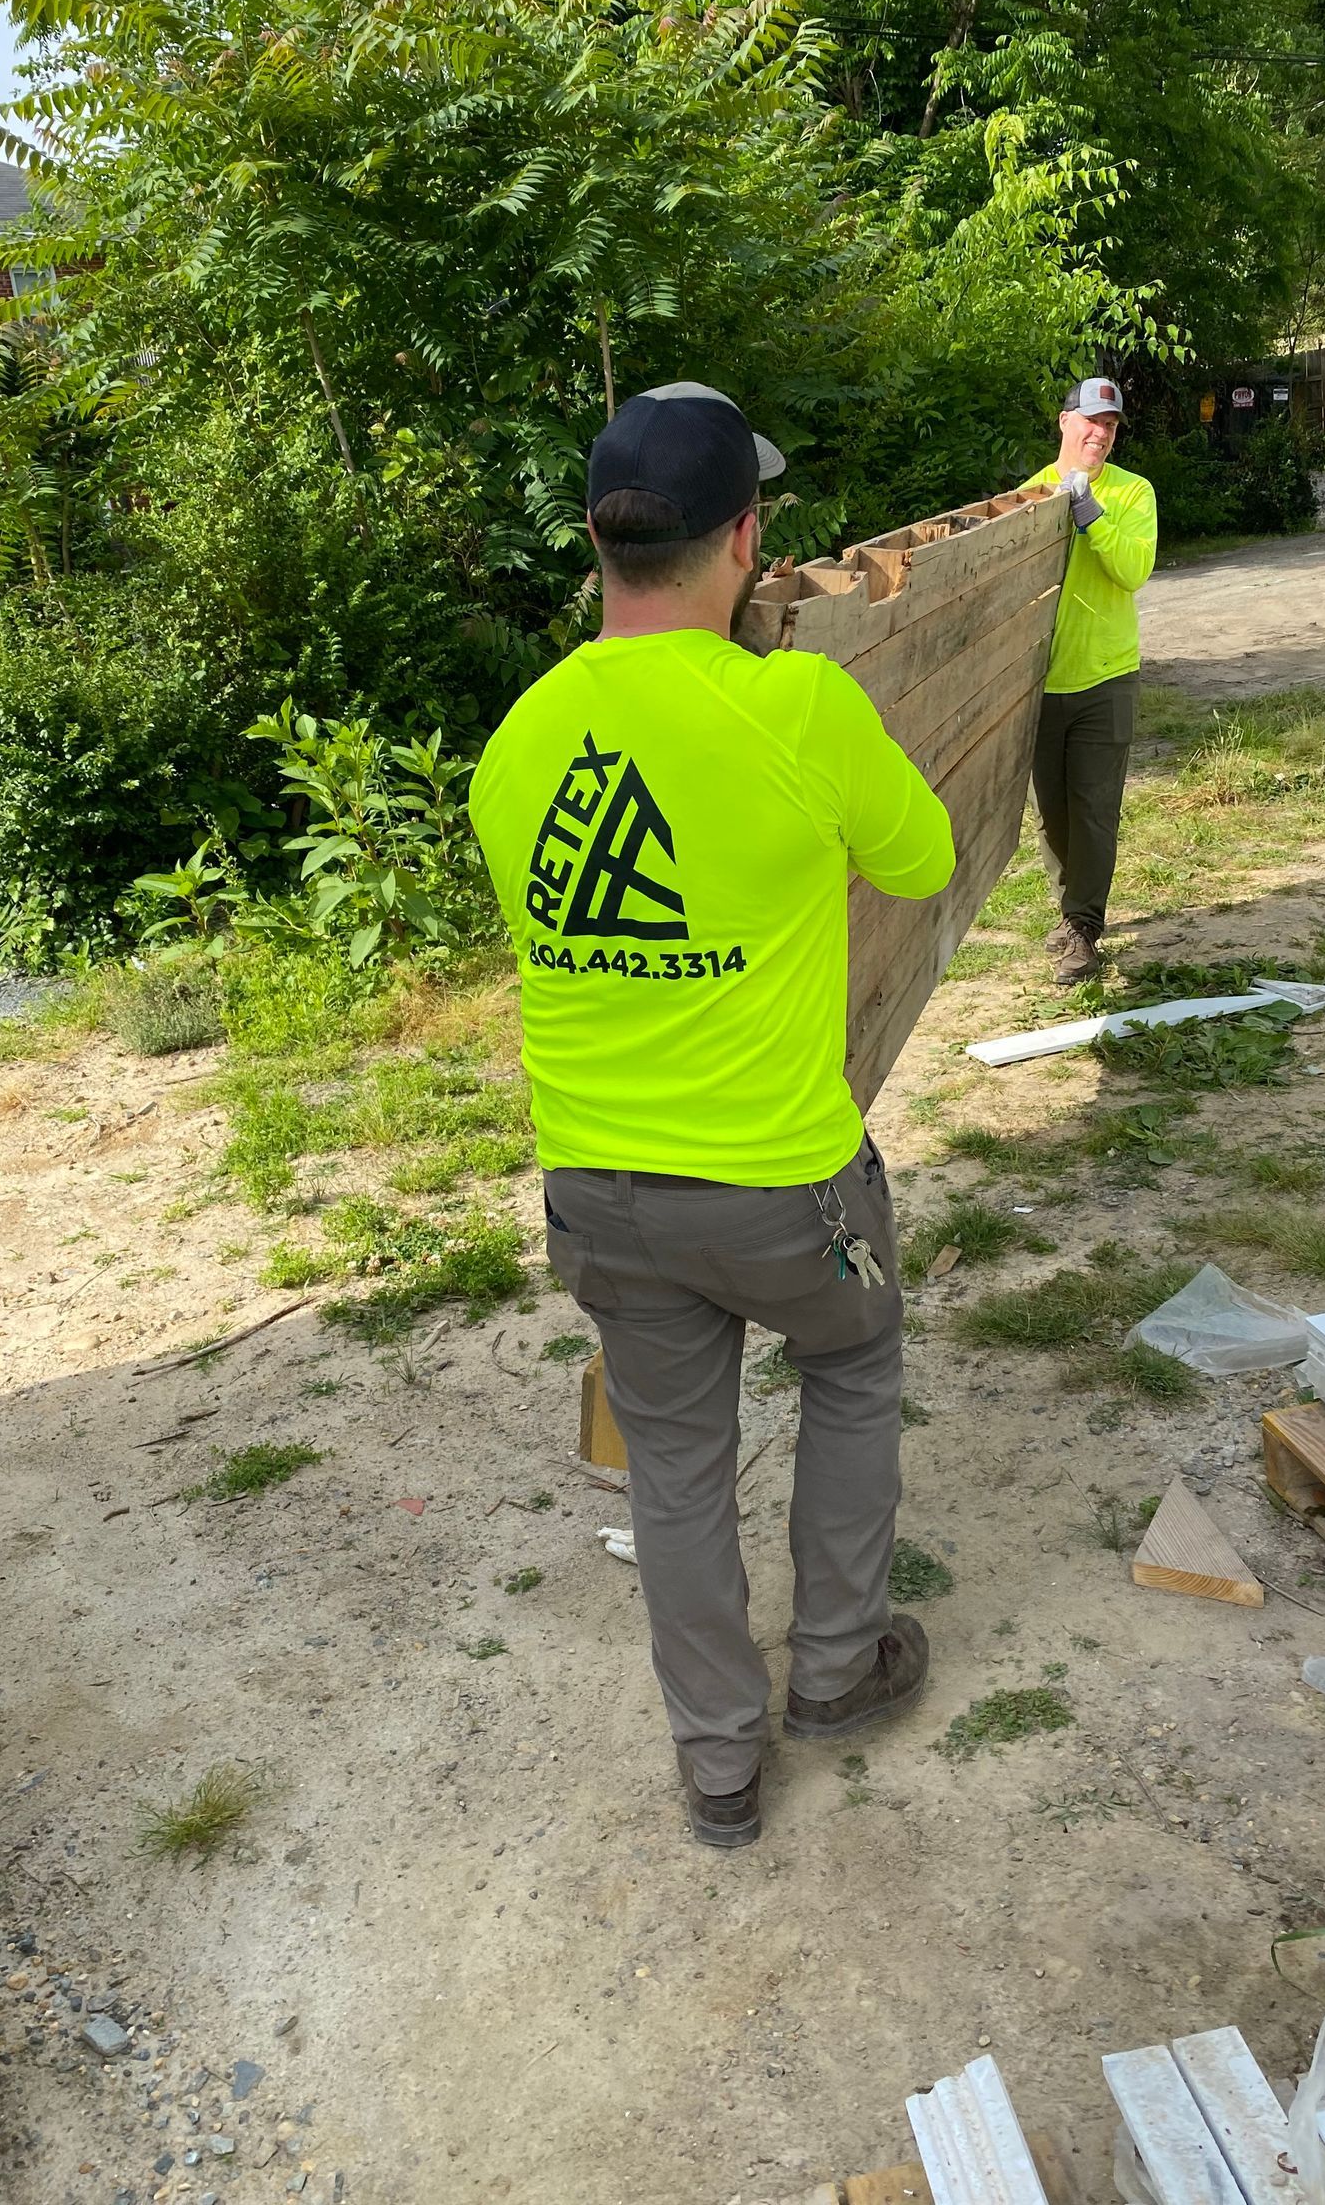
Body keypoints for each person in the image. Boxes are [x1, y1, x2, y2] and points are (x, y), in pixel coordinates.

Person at [468, 381, 957, 1849]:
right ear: (746, 539)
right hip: (780, 1191)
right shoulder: (797, 703)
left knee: (675, 1464)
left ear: (605, 548)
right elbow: (921, 858)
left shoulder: (521, 740)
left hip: (601, 1197)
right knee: (854, 1367)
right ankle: (835, 1670)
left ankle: (721, 1764)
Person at [1019, 376, 1158, 984]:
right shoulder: (1024, 497)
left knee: (1095, 808)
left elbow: (1133, 571)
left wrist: (1092, 518)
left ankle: (1081, 925)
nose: (1099, 434)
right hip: (1043, 685)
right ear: (1064, 422)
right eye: (1090, 421)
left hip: (1106, 678)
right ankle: (1069, 906)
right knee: (1052, 813)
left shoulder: (1134, 494)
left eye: (1110, 426)